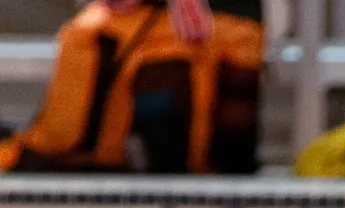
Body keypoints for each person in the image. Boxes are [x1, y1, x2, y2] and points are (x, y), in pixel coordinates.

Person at [0, 0, 264, 174]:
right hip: (223, 189)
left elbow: (62, 136)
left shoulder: (95, 33)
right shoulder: (243, 33)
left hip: (127, 190)